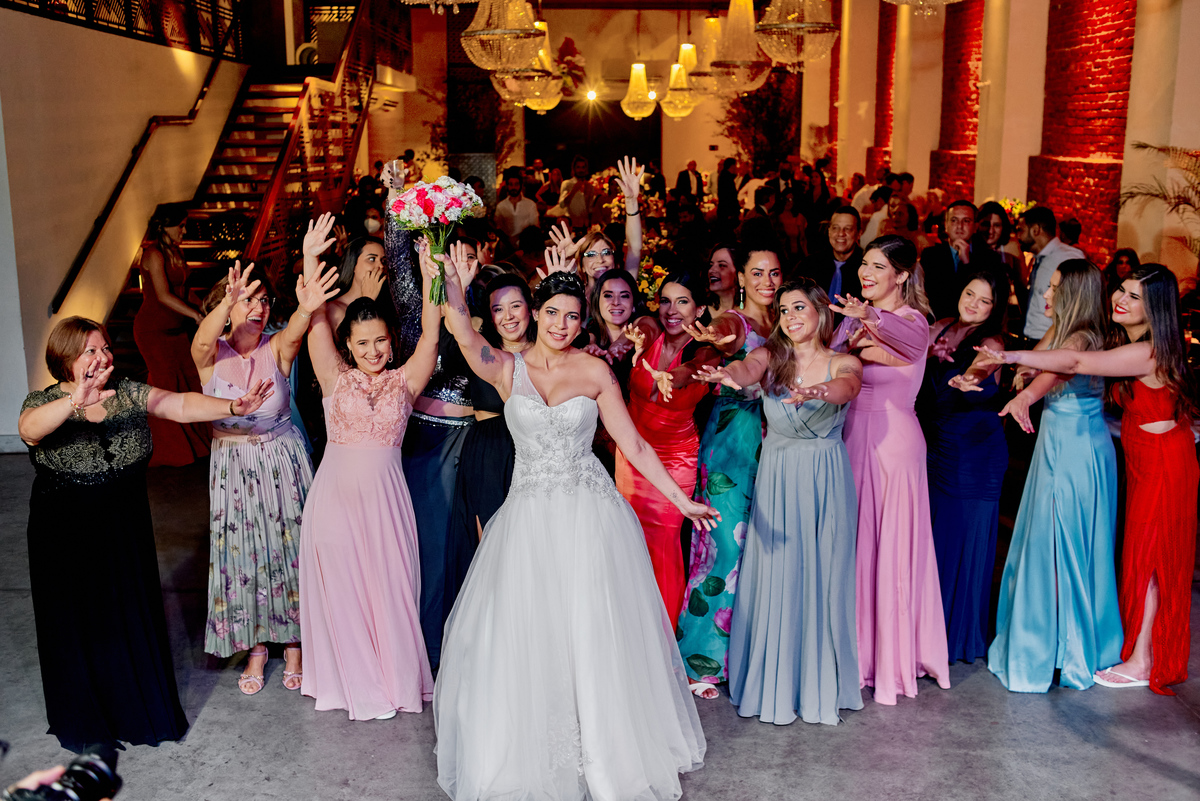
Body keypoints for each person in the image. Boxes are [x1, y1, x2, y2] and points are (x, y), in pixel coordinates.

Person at [432, 253, 714, 801]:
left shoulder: (594, 370)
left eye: (572, 316)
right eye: (553, 313)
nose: (562, 325)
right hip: (529, 518)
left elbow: (632, 444)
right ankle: (532, 748)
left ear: (582, 321)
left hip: (590, 517)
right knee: (530, 631)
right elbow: (462, 332)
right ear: (536, 313)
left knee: (593, 632)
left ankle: (605, 748)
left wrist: (683, 501)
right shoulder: (507, 368)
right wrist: (452, 282)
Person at [19, 317, 271, 752]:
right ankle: (86, 714)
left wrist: (231, 407)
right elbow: (29, 430)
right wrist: (74, 402)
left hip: (123, 528)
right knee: (78, 627)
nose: (103, 358)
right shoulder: (44, 402)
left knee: (124, 619)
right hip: (64, 536)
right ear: (64, 358)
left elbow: (178, 405)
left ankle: (132, 709)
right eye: (89, 351)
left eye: (104, 348)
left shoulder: (129, 393)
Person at [976, 265, 1196, 695]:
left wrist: (1013, 356)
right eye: (1122, 290)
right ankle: (1137, 650)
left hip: (1165, 465)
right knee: (1136, 558)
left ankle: (1142, 660)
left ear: (1155, 310)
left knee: (1152, 561)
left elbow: (1074, 360)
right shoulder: (1131, 342)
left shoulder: (1151, 350)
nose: (1121, 300)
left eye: (1135, 297)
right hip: (1143, 461)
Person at [698, 278, 864, 725]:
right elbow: (747, 370)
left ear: (821, 313)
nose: (790, 317)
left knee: (822, 575)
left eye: (799, 308)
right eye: (784, 310)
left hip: (825, 480)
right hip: (777, 478)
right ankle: (773, 681)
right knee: (777, 574)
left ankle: (816, 683)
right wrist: (728, 374)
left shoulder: (844, 361)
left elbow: (846, 388)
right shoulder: (771, 357)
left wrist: (815, 392)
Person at [298, 243, 441, 719]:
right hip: (334, 502)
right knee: (344, 591)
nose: (372, 351)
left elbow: (431, 338)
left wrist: (429, 275)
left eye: (379, 341)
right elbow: (315, 320)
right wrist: (309, 257)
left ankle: (394, 681)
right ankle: (351, 682)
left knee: (393, 589)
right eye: (361, 344)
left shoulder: (407, 380)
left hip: (387, 502)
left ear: (389, 340)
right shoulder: (334, 377)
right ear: (348, 346)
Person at [191, 257, 336, 692]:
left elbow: (295, 330)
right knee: (245, 556)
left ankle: (295, 642)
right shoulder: (209, 356)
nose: (260, 307)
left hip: (281, 460)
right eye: (249, 299)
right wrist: (229, 300)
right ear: (228, 304)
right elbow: (201, 339)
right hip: (234, 467)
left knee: (289, 550)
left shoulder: (277, 348)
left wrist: (306, 309)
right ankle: (255, 647)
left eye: (264, 300)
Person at [980, 259, 1122, 693]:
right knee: (1049, 545)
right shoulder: (1060, 330)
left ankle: (1060, 649)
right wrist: (1017, 375)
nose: (1045, 295)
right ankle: (1056, 644)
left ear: (1074, 293)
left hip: (1076, 453)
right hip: (1057, 448)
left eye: (1054, 289)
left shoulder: (1084, 337)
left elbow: (1062, 369)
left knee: (1061, 547)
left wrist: (1026, 388)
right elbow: (1044, 368)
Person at [831, 235, 950, 705]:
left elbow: (911, 341)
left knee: (891, 550)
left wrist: (869, 318)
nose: (867, 272)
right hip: (851, 438)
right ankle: (856, 654)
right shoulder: (853, 320)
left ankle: (892, 661)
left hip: (894, 444)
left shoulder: (912, 321)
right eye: (864, 263)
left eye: (878, 266)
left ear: (900, 274)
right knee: (857, 551)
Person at [675, 244, 782, 698]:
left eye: (774, 273)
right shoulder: (737, 322)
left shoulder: (789, 322)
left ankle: (749, 655)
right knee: (724, 549)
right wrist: (713, 334)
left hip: (778, 443)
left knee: (762, 552)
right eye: (757, 273)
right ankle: (700, 661)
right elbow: (724, 331)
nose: (767, 281)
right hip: (734, 445)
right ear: (742, 278)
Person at [917, 271, 1010, 664]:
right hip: (938, 447)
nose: (972, 303)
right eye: (970, 293)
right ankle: (927, 634)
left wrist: (967, 378)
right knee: (937, 542)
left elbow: (981, 369)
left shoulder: (991, 343)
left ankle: (955, 640)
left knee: (963, 544)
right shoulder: (941, 327)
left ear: (995, 309)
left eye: (984, 300)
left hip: (975, 455)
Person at [617, 271, 717, 618]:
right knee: (628, 541)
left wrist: (670, 376)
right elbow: (642, 325)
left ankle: (662, 637)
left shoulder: (707, 352)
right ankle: (629, 627)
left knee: (662, 546)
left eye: (683, 301)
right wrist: (636, 340)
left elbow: (692, 369)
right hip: (631, 457)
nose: (671, 310)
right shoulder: (651, 329)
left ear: (700, 309)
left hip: (676, 459)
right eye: (665, 300)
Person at [447, 273, 536, 571]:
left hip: (535, 451)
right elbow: (458, 327)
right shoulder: (483, 353)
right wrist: (453, 284)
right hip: (490, 451)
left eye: (515, 306)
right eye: (498, 309)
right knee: (494, 549)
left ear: (531, 309)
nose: (508, 316)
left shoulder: (548, 353)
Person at [131, 202, 210, 466]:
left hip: (175, 331)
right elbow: (163, 296)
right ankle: (169, 451)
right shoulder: (153, 254)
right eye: (181, 225)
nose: (184, 230)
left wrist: (208, 308)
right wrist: (195, 316)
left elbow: (183, 291)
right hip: (153, 331)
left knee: (191, 382)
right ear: (164, 227)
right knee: (165, 387)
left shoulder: (175, 252)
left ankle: (197, 446)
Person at [549, 156, 644, 290]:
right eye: (591, 254)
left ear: (616, 261)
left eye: (606, 252)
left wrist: (631, 201)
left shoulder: (623, 286)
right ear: (581, 264)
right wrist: (568, 260)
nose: (600, 259)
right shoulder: (577, 295)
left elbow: (634, 248)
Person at [919, 200, 1000, 321]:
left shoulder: (990, 258)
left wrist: (966, 263)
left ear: (975, 227)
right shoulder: (930, 256)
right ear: (946, 225)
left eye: (966, 221)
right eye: (954, 220)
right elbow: (935, 297)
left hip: (975, 328)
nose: (959, 226)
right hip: (938, 326)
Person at [1018, 206, 1084, 347]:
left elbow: (1080, 306)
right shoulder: (1039, 259)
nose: (1018, 237)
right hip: (1032, 341)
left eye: (1021, 230)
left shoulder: (1067, 257)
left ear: (1035, 230)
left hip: (1051, 344)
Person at [797, 206, 864, 301]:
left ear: (859, 233)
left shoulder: (867, 268)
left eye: (848, 229)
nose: (841, 233)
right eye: (835, 228)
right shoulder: (810, 264)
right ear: (829, 231)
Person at [493, 167, 540, 245]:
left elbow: (534, 227)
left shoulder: (531, 204)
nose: (513, 187)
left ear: (521, 186)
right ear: (507, 186)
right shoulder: (501, 206)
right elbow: (498, 227)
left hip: (526, 244)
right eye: (511, 184)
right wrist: (508, 240)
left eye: (516, 184)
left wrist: (517, 238)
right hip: (506, 245)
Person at [706, 242, 739, 317]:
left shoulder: (754, 316)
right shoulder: (699, 314)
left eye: (722, 265)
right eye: (711, 265)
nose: (711, 270)